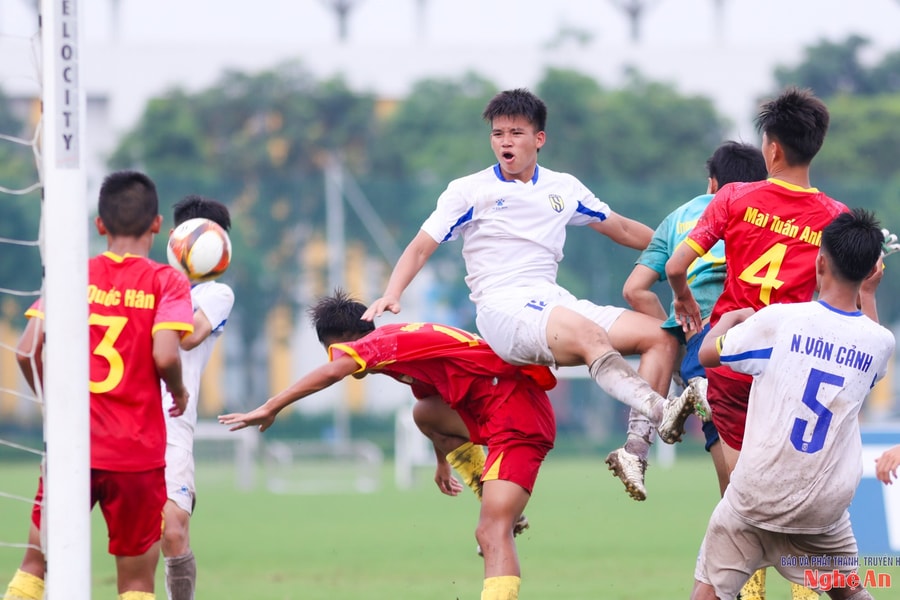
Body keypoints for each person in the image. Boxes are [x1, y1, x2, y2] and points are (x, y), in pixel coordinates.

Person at [362, 87, 698, 454]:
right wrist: (393, 292)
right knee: (588, 333)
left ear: (539, 139)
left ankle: (636, 450)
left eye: (515, 133)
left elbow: (621, 228)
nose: (505, 142)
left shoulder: (564, 188)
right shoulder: (469, 191)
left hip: (554, 302)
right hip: (504, 310)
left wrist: (685, 253)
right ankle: (659, 408)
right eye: (497, 133)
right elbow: (420, 246)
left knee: (661, 336)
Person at [665, 87, 870, 600]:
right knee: (794, 498)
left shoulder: (735, 197)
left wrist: (684, 298)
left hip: (734, 362)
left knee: (744, 503)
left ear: (771, 151)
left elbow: (674, 265)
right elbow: (855, 299)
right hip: (795, 369)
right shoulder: (836, 218)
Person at [219, 291, 557, 600]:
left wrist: (271, 406)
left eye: (334, 350)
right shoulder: (399, 348)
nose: (338, 360)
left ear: (350, 339)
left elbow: (333, 373)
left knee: (490, 532)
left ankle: (502, 515)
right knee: (423, 413)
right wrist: (443, 460)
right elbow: (436, 406)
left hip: (517, 417)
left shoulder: (379, 343)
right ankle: (497, 501)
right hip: (494, 411)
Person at [4, 170, 194, 600]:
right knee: (135, 583)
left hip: (75, 446)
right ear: (157, 224)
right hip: (136, 454)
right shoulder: (166, 280)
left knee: (35, 564)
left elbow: (26, 350)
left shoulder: (73, 275)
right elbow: (165, 354)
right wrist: (179, 390)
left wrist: (52, 408)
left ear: (99, 225)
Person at [691, 208, 894, 600]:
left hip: (756, 499)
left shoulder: (780, 321)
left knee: (708, 594)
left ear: (820, 262)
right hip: (823, 513)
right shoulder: (880, 343)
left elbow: (707, 355)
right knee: (850, 592)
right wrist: (868, 295)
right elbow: (869, 352)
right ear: (871, 271)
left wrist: (730, 319)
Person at [612, 141, 768, 502]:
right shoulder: (765, 214)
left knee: (734, 495)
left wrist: (682, 332)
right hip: (760, 338)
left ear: (712, 183)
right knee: (765, 482)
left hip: (706, 343)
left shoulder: (677, 218)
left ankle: (637, 444)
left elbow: (635, 291)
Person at [161, 195, 235, 600]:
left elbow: (187, 337)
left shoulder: (216, 294)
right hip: (120, 417)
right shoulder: (144, 281)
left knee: (173, 530)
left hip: (173, 422)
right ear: (174, 238)